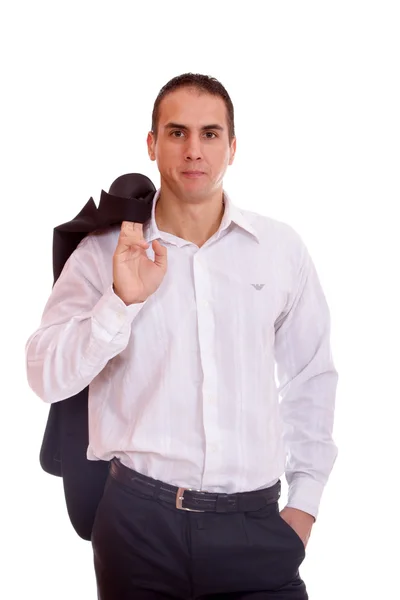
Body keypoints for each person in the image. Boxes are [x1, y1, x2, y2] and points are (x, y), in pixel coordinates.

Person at [25, 73, 338, 599]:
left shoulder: (280, 250)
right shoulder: (103, 254)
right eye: (176, 133)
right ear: (152, 143)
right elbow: (44, 376)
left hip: (255, 526)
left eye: (210, 134)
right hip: (138, 528)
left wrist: (303, 505)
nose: (194, 151)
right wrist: (120, 302)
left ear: (232, 147)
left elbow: (311, 377)